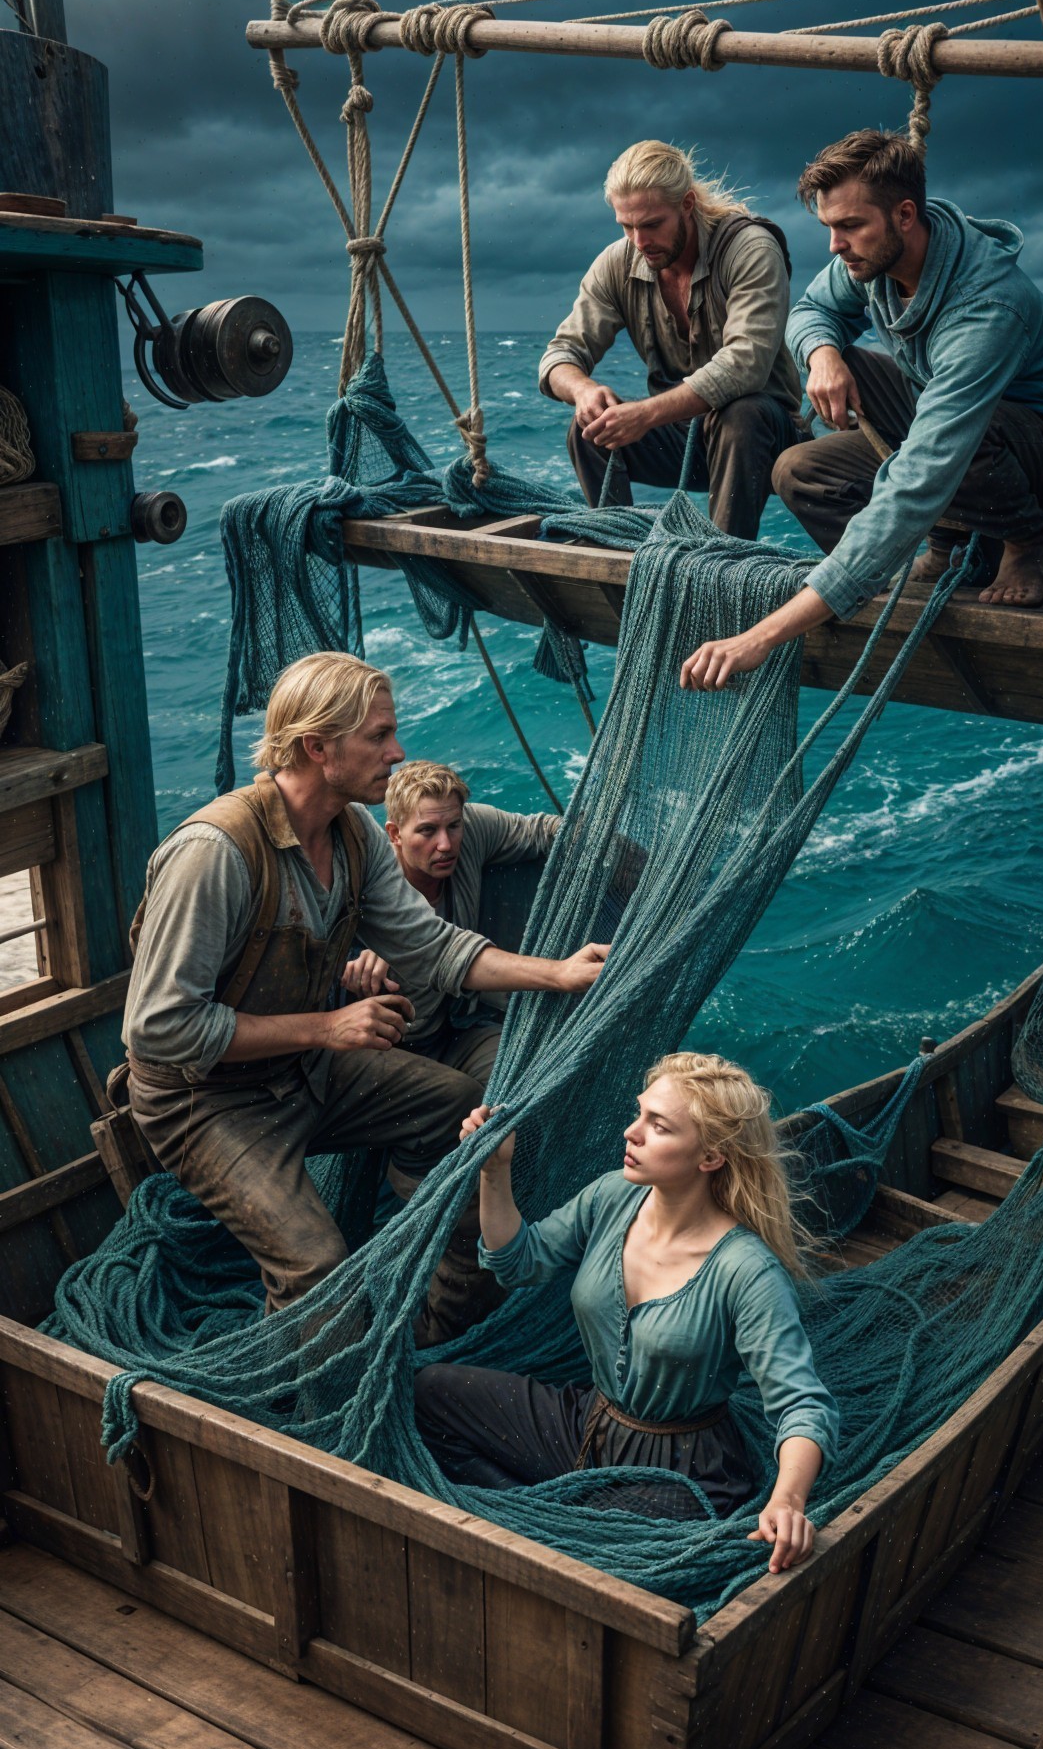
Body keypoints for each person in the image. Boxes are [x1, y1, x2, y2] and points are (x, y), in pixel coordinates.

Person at [121, 652, 606, 1313]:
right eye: (378, 736)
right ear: (317, 747)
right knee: (316, 1268)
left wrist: (560, 974)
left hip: (304, 1071)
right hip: (205, 1102)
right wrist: (326, 1027)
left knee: (459, 1110)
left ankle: (438, 1325)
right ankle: (308, 1413)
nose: (397, 751)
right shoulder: (214, 853)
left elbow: (432, 947)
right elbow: (158, 1028)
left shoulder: (354, 836)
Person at [680, 130, 1043, 692]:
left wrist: (765, 635)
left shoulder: (988, 308)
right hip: (938, 402)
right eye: (829, 227)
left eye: (850, 226)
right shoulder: (872, 260)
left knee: (958, 448)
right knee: (799, 472)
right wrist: (825, 355)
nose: (835, 244)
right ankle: (937, 553)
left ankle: (1027, 537)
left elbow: (920, 477)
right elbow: (810, 310)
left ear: (905, 215)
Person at [414, 1053, 838, 1571]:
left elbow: (802, 1405)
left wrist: (788, 1500)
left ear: (710, 1157)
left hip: (683, 1474)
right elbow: (518, 1262)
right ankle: (543, 1509)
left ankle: (540, 1510)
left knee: (603, 1548)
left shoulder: (746, 1270)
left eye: (657, 1127)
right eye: (639, 1114)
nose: (631, 1133)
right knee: (429, 1392)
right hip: (586, 1422)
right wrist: (495, 1171)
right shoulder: (612, 1195)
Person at [539, 140, 803, 540]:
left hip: (764, 443)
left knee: (741, 415)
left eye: (650, 224)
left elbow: (745, 365)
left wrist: (645, 414)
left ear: (687, 204)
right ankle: (618, 553)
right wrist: (583, 390)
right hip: (682, 441)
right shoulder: (619, 261)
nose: (639, 241)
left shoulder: (750, 248)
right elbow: (560, 355)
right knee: (588, 427)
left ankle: (722, 566)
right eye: (626, 226)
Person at [343, 759, 560, 1094]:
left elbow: (546, 830)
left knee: (533, 1073)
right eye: (427, 831)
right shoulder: (367, 886)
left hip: (461, 1026)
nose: (445, 844)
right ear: (395, 834)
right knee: (458, 1098)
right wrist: (360, 960)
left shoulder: (471, 829)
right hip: (393, 1051)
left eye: (453, 826)